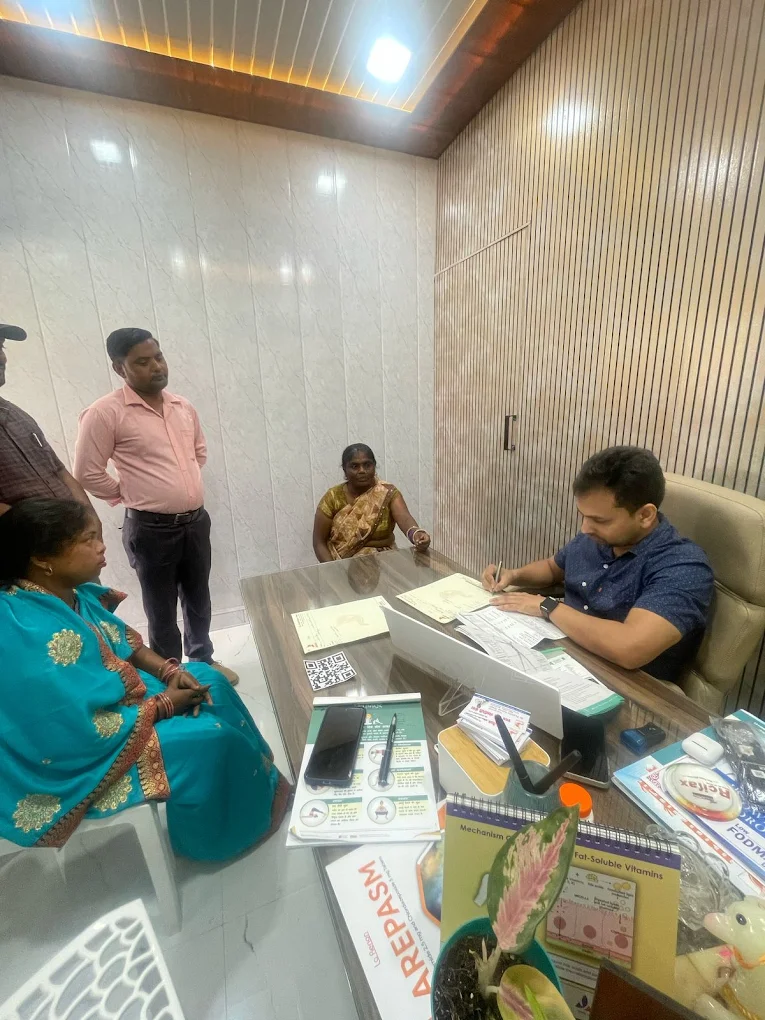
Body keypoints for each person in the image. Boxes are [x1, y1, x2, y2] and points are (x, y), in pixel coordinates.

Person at [0, 498, 291, 860]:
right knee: (209, 740)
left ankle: (258, 789)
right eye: (88, 540)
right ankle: (215, 839)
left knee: (209, 681)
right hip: (81, 754)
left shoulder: (69, 591)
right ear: (43, 559)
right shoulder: (22, 626)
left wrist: (172, 672)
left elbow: (126, 643)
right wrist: (164, 705)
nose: (102, 547)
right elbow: (64, 726)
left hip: (117, 706)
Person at [74, 328, 237, 684]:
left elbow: (198, 454)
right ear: (120, 368)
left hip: (196, 522)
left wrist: (179, 486)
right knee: (161, 609)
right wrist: (128, 493)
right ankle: (171, 677)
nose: (157, 367)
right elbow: (87, 472)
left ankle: (203, 661)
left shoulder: (183, 406)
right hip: (151, 529)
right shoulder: (105, 413)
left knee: (199, 597)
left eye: (159, 358)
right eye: (142, 362)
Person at [481, 446, 714, 683]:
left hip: (621, 685)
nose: (585, 528)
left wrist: (548, 607)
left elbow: (630, 647)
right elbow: (552, 568)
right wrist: (514, 575)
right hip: (562, 655)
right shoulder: (598, 537)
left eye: (599, 520)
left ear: (645, 515)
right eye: (583, 515)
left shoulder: (683, 566)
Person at [0, 324, 95, 515]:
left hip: (72, 529)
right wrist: (39, 531)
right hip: (28, 535)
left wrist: (90, 519)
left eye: (1, 347)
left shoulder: (16, 414)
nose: (2, 358)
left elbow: (59, 470)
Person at [313, 444, 431, 561]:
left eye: (367, 465)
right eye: (354, 466)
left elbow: (405, 518)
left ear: (374, 466)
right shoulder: (333, 497)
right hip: (342, 563)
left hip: (385, 562)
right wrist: (333, 570)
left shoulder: (386, 492)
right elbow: (319, 542)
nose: (362, 471)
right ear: (345, 469)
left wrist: (416, 534)